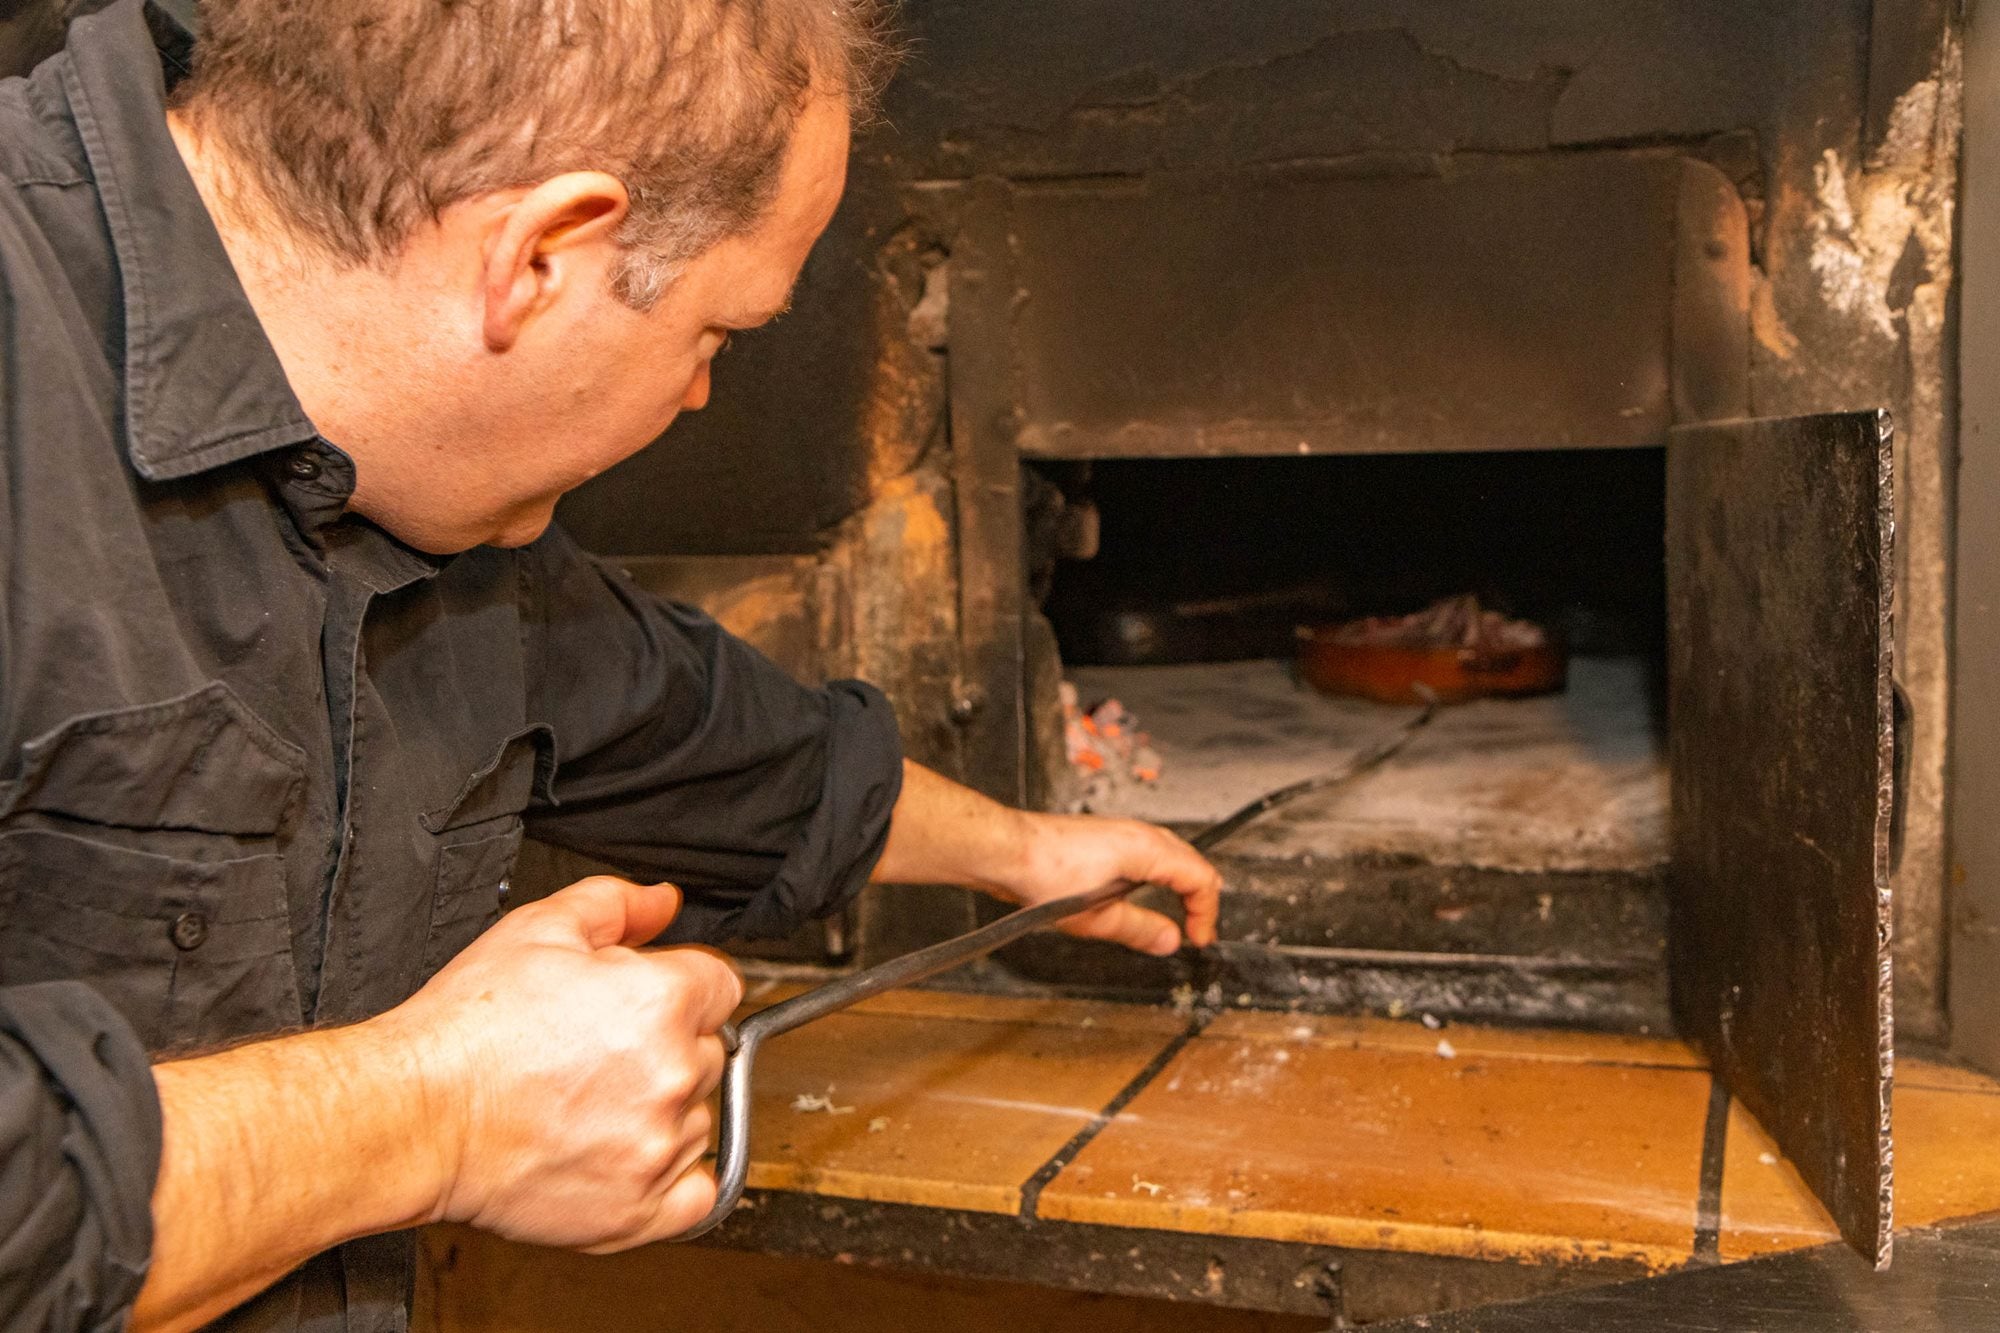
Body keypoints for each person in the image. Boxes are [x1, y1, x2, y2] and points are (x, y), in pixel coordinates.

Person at [0, 1, 1224, 1329]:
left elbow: (689, 729)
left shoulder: (414, 494)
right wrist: (443, 1108)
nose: (701, 393)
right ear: (537, 257)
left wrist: (1023, 854)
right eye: (716, 333)